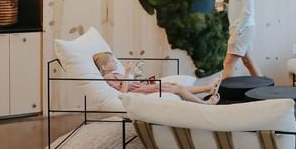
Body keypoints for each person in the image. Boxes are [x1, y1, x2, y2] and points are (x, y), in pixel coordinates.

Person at [93, 51, 221, 105]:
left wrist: (136, 74)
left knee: (175, 86)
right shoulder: (109, 77)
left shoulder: (113, 74)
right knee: (177, 87)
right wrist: (127, 73)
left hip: (140, 86)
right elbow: (123, 92)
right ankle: (205, 103)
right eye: (112, 62)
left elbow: (128, 83)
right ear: (104, 67)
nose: (116, 63)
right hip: (137, 91)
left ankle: (208, 88)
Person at [219, 0, 260, 78]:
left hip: (242, 29)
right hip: (239, 28)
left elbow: (247, 12)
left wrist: (237, 32)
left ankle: (223, 96)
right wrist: (226, 7)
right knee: (248, 62)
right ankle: (265, 90)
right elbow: (238, 8)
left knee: (228, 63)